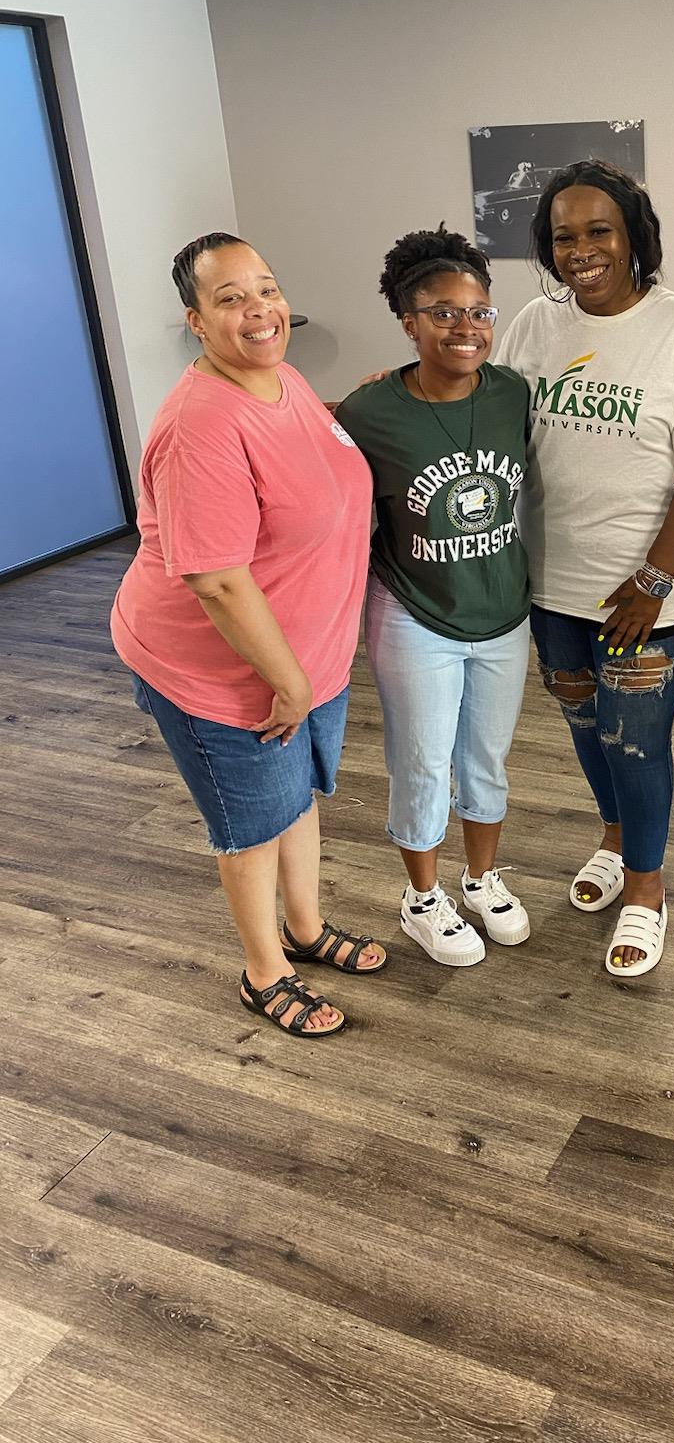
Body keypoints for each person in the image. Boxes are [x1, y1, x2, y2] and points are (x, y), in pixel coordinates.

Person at [110, 234, 382, 1039]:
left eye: (265, 289)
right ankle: (266, 971)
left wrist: (352, 408)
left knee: (297, 803)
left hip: (307, 657)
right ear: (196, 320)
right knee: (253, 825)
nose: (258, 309)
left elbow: (298, 452)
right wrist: (289, 681)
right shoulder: (199, 426)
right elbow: (217, 580)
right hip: (223, 675)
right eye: (230, 298)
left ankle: (308, 928)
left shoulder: (279, 378)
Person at [496, 160, 674, 977]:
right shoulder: (535, 325)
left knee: (636, 739)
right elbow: (491, 417)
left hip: (651, 588)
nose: (582, 250)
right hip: (552, 583)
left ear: (634, 234)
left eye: (599, 230)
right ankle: (614, 835)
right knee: (582, 723)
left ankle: (647, 887)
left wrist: (652, 583)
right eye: (563, 236)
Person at [335, 227, 532, 967]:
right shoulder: (369, 414)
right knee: (421, 761)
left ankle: (481, 879)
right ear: (407, 320)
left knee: (487, 760)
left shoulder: (514, 393)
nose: (466, 327)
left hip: (503, 613)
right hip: (416, 614)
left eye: (479, 311)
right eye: (443, 312)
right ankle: (422, 898)